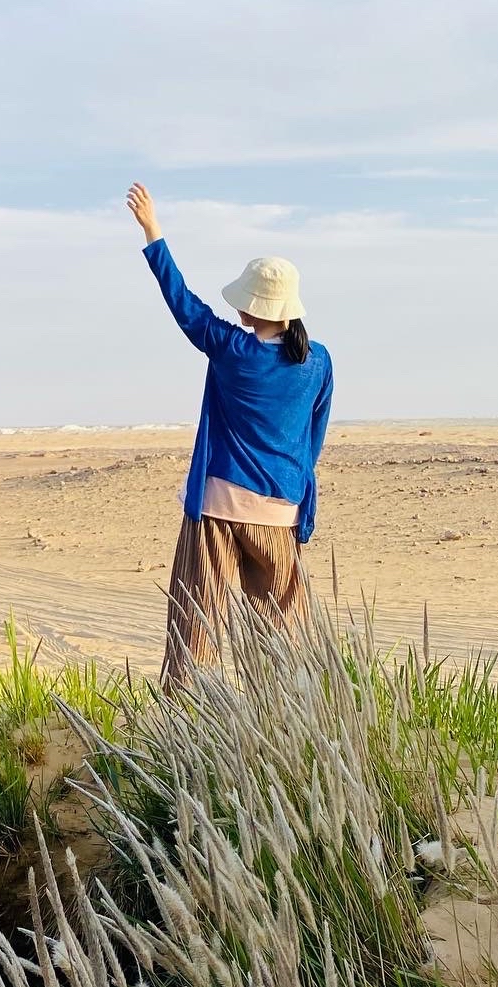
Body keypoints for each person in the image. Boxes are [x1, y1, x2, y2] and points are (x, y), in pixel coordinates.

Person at [125, 183, 334, 690]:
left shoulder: (231, 348)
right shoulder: (319, 361)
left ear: (248, 308)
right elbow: (313, 439)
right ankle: (284, 712)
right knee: (283, 630)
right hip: (281, 509)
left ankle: (184, 713)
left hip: (219, 504)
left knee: (196, 621)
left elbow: (183, 303)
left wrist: (153, 232)